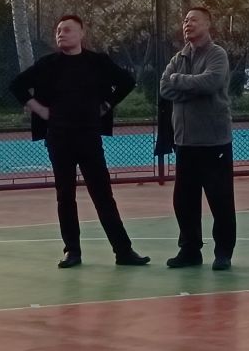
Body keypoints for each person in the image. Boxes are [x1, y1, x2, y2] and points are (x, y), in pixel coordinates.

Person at [9, 15, 149, 268]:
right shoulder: (48, 64)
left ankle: (124, 251)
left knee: (103, 195)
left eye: (67, 30)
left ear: (82, 33)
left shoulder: (97, 62)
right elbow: (17, 85)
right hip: (59, 138)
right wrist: (41, 111)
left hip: (89, 137)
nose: (61, 34)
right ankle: (72, 251)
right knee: (65, 195)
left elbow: (127, 82)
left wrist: (107, 104)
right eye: (58, 30)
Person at [160, 5, 235, 270]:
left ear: (207, 24)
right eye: (185, 20)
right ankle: (190, 250)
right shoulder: (179, 57)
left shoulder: (217, 54)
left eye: (193, 20)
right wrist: (190, 86)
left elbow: (210, 83)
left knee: (220, 200)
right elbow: (164, 87)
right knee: (184, 201)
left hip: (214, 141)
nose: (187, 24)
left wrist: (179, 81)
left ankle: (223, 252)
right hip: (185, 142)